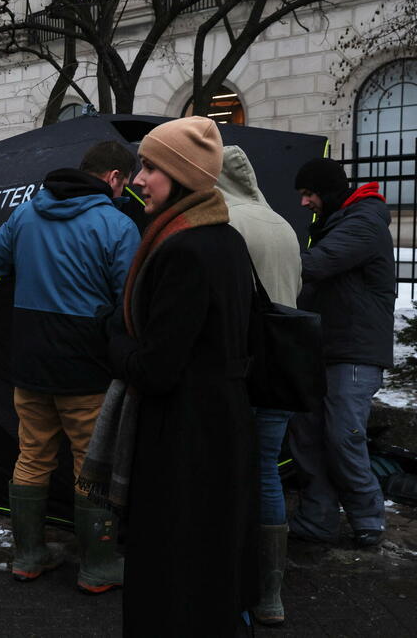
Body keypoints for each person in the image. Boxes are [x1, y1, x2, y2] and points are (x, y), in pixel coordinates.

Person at [99, 116, 257, 635]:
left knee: (174, 579)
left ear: (183, 175)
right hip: (219, 429)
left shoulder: (184, 248)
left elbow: (157, 369)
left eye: (150, 167)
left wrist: (113, 339)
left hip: (184, 441)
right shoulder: (225, 238)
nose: (138, 179)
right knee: (209, 572)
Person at [0, 141, 140, 592]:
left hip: (29, 359)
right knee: (91, 465)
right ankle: (97, 566)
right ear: (114, 177)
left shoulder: (27, 212)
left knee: (32, 455)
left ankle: (28, 556)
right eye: (126, 183)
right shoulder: (116, 224)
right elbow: (131, 300)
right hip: (86, 365)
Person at [288, 158, 395, 549]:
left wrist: (268, 255)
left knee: (342, 436)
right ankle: (317, 520)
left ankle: (368, 517)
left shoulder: (363, 222)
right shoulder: (337, 221)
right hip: (326, 346)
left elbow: (316, 265)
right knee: (307, 435)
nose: (305, 203)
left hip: (354, 351)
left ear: (329, 192)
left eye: (309, 194)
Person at [217, 145, 302, 625]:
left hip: (241, 366)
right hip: (283, 366)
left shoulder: (226, 222)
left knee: (227, 472)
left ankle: (230, 580)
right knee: (266, 470)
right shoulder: (282, 224)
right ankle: (271, 594)